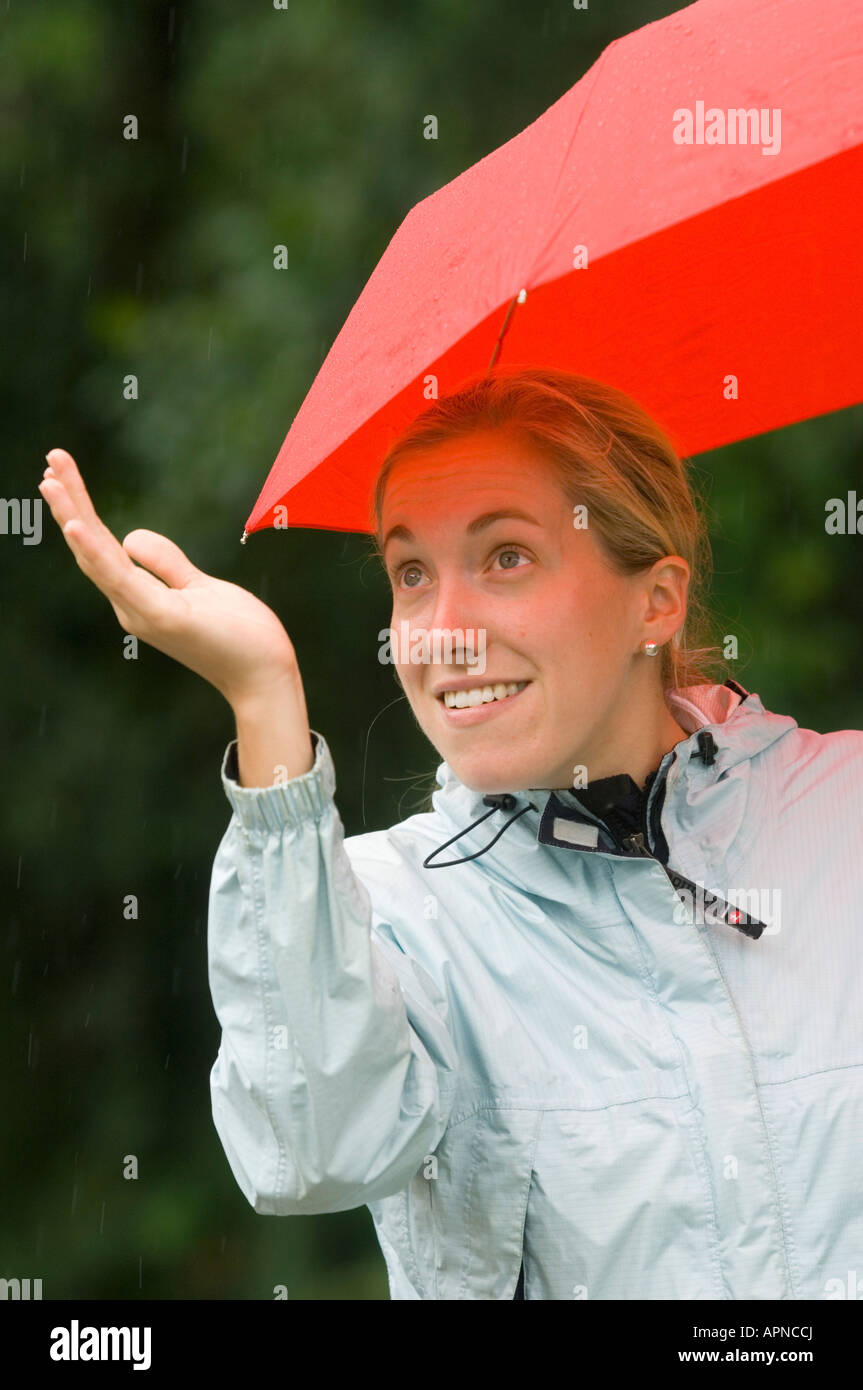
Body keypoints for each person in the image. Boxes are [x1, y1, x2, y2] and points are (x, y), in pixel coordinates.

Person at [39, 366, 863, 1301]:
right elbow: (305, 1153)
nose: (442, 635)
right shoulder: (383, 908)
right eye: (410, 575)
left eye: (506, 557)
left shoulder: (846, 815)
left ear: (656, 602)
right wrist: (262, 694)